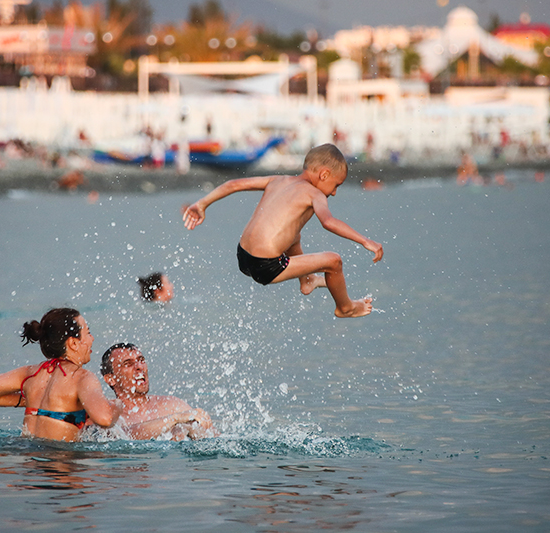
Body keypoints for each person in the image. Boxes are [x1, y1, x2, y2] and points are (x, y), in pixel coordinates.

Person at [183, 143, 383, 318]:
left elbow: (234, 184)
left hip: (243, 257)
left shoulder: (279, 180)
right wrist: (366, 241)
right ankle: (346, 308)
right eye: (336, 185)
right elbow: (328, 222)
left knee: (294, 234)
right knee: (334, 261)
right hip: (266, 265)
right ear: (324, 174)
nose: (334, 192)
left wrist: (202, 204)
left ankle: (308, 281)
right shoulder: (315, 194)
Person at [0, 308, 122, 442]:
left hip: (27, 459)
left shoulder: (31, 373)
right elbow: (105, 419)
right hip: (59, 466)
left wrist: (29, 400)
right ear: (73, 343)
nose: (92, 338)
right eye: (88, 333)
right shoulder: (81, 377)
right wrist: (117, 405)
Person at [99, 343, 215, 440]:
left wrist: (187, 428)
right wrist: (174, 419)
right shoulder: (109, 413)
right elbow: (122, 437)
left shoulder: (172, 405)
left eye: (141, 360)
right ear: (111, 379)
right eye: (128, 364)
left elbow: (214, 438)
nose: (139, 366)